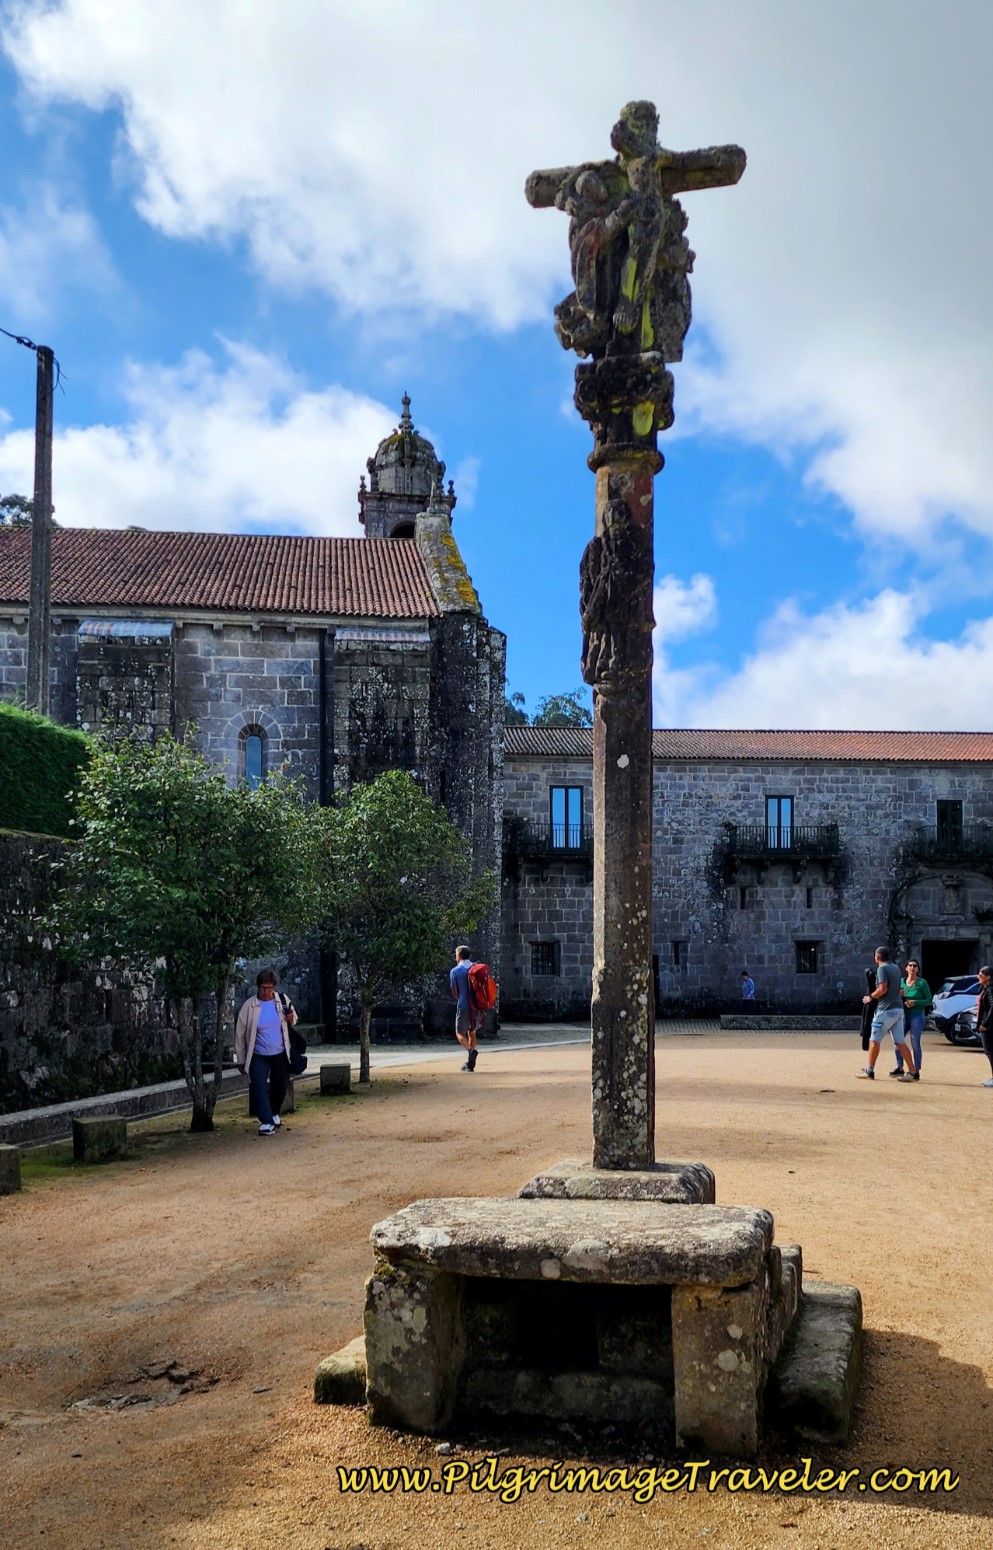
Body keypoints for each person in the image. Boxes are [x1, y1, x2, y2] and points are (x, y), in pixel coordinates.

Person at [235, 969, 297, 1135]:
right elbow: (240, 1034)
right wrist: (241, 1059)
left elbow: (294, 1017)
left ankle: (274, 1112)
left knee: (281, 1085)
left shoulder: (282, 1000)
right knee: (258, 1086)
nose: (266, 991)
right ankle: (266, 1121)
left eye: (269, 988)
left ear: (274, 987)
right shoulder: (250, 1006)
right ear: (258, 987)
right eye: (263, 988)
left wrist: (291, 1018)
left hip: (280, 1051)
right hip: (258, 1053)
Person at [857, 946, 918, 1082]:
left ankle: (870, 1070)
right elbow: (899, 988)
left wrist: (870, 997)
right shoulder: (896, 968)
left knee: (874, 1041)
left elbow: (882, 989)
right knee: (900, 1042)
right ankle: (913, 1072)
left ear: (877, 957)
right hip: (898, 1010)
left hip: (885, 1010)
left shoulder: (882, 969)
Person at [893, 958, 932, 1079]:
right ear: (906, 968)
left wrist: (916, 1002)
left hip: (916, 1015)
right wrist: (900, 996)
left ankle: (916, 1069)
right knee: (897, 1042)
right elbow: (893, 998)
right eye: (910, 965)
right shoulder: (900, 982)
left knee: (915, 1042)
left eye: (915, 966)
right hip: (902, 1015)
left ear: (918, 969)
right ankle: (900, 1067)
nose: (912, 968)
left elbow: (929, 1000)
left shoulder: (922, 983)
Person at [450, 945, 481, 1073]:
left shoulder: (455, 971)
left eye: (456, 955)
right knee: (472, 1032)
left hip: (463, 1004)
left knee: (459, 1032)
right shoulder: (476, 968)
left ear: (459, 956)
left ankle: (471, 1051)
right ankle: (470, 1064)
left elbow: (454, 991)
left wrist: (460, 997)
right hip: (477, 1005)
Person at [974, 965, 993, 1087]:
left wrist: (985, 1023)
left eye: (981, 975)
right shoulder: (986, 989)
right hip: (988, 1026)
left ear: (988, 977)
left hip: (990, 1027)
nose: (978, 977)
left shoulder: (990, 990)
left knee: (990, 1052)